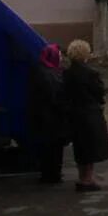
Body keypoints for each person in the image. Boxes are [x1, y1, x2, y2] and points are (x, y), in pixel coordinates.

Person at [63, 39, 108, 192]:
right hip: (90, 113)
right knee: (91, 147)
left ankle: (81, 177)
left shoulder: (67, 73)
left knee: (80, 147)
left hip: (74, 113)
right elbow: (99, 92)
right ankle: (88, 179)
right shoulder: (91, 73)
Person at [27, 43, 69, 184]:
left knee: (48, 148)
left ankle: (48, 174)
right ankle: (52, 175)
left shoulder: (41, 71)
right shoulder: (50, 75)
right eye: (59, 55)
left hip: (44, 117)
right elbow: (55, 97)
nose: (61, 58)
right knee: (54, 148)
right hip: (52, 118)